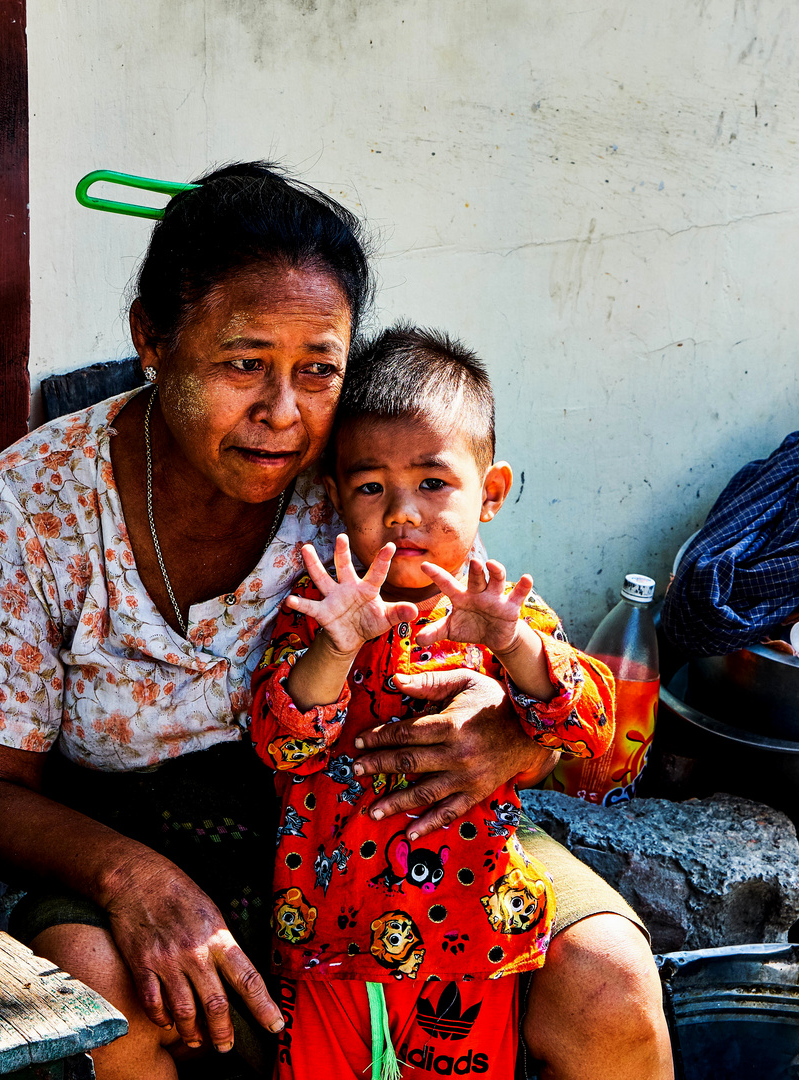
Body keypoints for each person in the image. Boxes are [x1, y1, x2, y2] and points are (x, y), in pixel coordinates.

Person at [0, 161, 672, 1080]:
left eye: (318, 371)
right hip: (139, 840)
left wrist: (513, 740)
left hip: (392, 837)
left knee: (610, 981)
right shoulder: (29, 506)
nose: (283, 415)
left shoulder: (365, 483)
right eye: (244, 364)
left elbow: (551, 690)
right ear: (151, 338)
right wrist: (133, 880)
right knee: (98, 991)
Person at [251, 326, 618, 1079]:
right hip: (328, 946)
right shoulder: (319, 615)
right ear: (333, 496)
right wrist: (336, 646)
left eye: (432, 482)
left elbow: (590, 727)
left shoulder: (506, 614)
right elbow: (281, 741)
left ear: (491, 490)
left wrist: (514, 648)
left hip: (467, 946)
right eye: (370, 486)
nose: (402, 513)